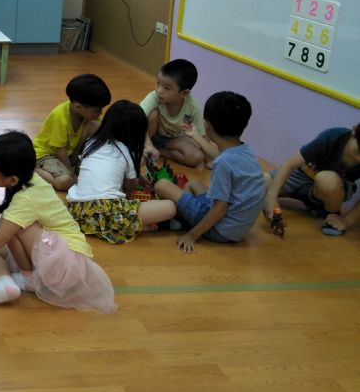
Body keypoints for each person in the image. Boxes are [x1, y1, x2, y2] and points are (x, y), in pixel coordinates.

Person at [0, 131, 116, 313]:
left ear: (13, 179)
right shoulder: (29, 179)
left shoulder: (25, 199)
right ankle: (6, 283)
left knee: (9, 228)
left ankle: (27, 278)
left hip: (64, 265)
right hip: (55, 254)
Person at [154, 91, 265, 253]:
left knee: (162, 185)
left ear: (207, 125)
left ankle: (185, 224)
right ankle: (185, 217)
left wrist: (192, 236)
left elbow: (220, 208)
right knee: (194, 184)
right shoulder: (245, 150)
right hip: (237, 229)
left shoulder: (222, 164)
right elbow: (222, 156)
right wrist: (196, 137)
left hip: (219, 230)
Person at [66, 100, 177, 243]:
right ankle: (132, 226)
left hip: (78, 212)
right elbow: (130, 187)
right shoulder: (127, 151)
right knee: (170, 207)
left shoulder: (91, 142)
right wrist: (138, 181)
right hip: (108, 213)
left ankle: (132, 226)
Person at [262, 124, 360, 236]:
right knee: (259, 183)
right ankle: (286, 196)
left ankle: (331, 214)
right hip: (301, 176)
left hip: (328, 190)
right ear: (354, 131)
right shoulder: (333, 136)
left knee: (327, 180)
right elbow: (290, 164)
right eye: (358, 151)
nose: (359, 159)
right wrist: (272, 196)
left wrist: (346, 221)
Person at [32, 74, 111, 191]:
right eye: (97, 110)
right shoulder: (59, 116)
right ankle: (31, 169)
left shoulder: (88, 115)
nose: (100, 113)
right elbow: (60, 150)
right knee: (65, 181)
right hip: (46, 155)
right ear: (78, 107)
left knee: (96, 126)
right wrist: (71, 173)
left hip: (69, 154)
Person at [141, 59, 218, 168]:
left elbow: (203, 136)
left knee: (197, 157)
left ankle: (157, 150)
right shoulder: (154, 97)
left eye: (167, 88)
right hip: (150, 134)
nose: (159, 91)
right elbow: (137, 118)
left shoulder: (192, 107)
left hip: (172, 139)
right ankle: (144, 147)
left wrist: (208, 160)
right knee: (152, 114)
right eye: (158, 84)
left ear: (184, 93)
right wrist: (148, 144)